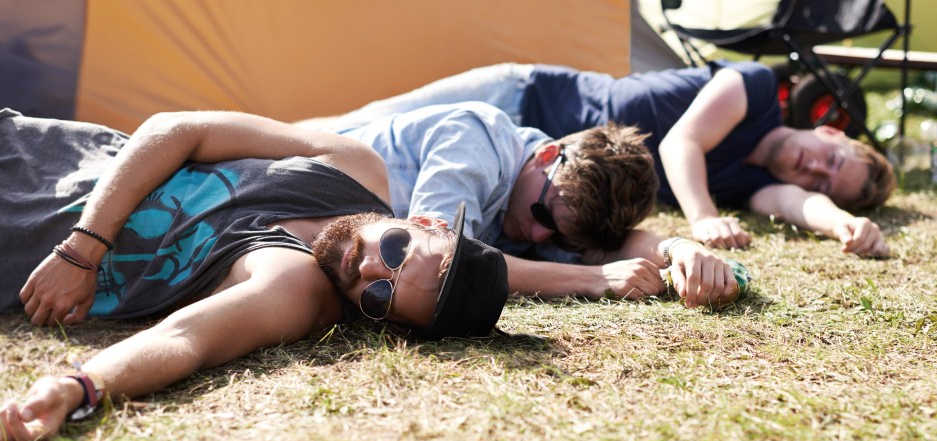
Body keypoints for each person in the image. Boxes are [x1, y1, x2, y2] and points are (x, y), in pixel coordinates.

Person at [0, 109, 508, 441]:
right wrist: (82, 250)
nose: (369, 269)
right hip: (11, 147)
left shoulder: (295, 287)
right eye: (397, 250)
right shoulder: (354, 165)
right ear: (426, 221)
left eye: (379, 296)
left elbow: (186, 340)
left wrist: (76, 389)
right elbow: (179, 129)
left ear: (384, 327)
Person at [307, 61, 896, 257]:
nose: (815, 169)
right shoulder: (759, 88)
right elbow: (679, 142)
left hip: (561, 175)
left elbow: (794, 200)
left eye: (827, 181)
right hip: (520, 100)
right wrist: (701, 218)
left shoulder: (751, 179)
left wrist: (839, 222)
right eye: (830, 160)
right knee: (348, 129)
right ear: (831, 132)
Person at [306, 100, 741, 308]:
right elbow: (445, 258)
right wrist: (589, 279)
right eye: (542, 215)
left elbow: (615, 247)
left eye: (553, 236)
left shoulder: (549, 200)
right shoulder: (477, 137)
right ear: (548, 154)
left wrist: (680, 250)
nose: (536, 236)